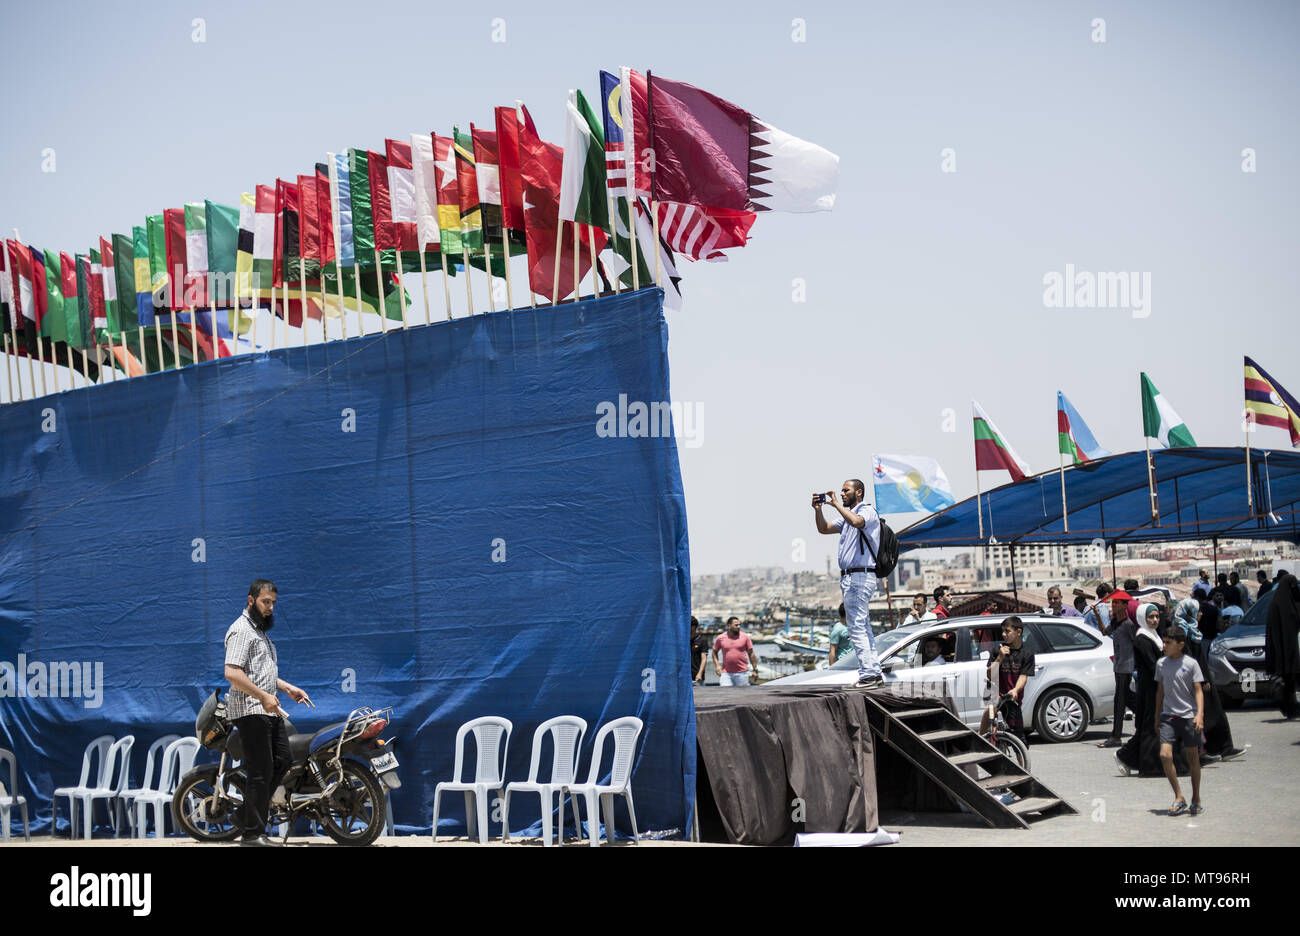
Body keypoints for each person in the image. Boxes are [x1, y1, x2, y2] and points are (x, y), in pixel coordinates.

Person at [223, 579, 314, 847]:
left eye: (273, 603)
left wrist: (286, 688)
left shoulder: (260, 632)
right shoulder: (241, 630)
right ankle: (252, 835)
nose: (270, 607)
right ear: (250, 600)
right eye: (265, 602)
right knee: (260, 771)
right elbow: (232, 672)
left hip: (268, 710)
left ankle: (245, 814)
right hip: (251, 710)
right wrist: (262, 696)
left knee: (283, 761)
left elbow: (262, 674)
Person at [813, 479, 884, 689]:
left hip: (859, 576)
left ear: (859, 492)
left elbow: (857, 522)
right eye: (841, 491)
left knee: (855, 627)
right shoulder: (846, 518)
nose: (842, 494)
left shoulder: (867, 510)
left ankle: (868, 674)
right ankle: (873, 670)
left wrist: (834, 504)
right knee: (863, 625)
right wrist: (818, 510)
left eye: (846, 490)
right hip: (850, 577)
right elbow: (824, 528)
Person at [1116, 603, 1186, 778]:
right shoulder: (1142, 639)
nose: (1155, 620)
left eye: (1156, 616)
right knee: (1150, 726)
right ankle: (1149, 765)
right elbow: (1153, 664)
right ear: (1142, 618)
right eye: (1150, 617)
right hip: (1150, 689)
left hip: (1159, 686)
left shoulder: (1154, 636)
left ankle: (1127, 756)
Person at [1173, 598, 1244, 760]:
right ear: (1189, 613)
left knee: (1213, 714)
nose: (1201, 614)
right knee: (1201, 716)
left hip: (1203, 679)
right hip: (1196, 682)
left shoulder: (1192, 631)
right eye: (1197, 611)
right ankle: (1206, 751)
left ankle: (1219, 748)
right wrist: (1201, 681)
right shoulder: (1181, 633)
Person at [1155, 628, 1205, 816]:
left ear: (1181, 644)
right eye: (1164, 642)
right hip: (1168, 716)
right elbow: (1160, 691)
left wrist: (1199, 715)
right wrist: (1156, 716)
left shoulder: (1191, 664)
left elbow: (1198, 690)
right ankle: (1179, 796)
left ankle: (1196, 798)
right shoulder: (1161, 664)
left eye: (1168, 642)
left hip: (1189, 716)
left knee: (1193, 757)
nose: (1164, 646)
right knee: (1165, 755)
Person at [987, 616, 1034, 744]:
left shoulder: (1027, 653)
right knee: (988, 730)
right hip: (994, 697)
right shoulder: (998, 649)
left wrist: (1015, 690)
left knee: (1019, 739)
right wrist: (1000, 658)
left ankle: (1020, 763)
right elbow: (990, 674)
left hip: (1012, 699)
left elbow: (1023, 676)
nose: (1003, 634)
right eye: (1003, 631)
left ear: (1018, 632)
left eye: (1007, 631)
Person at [1098, 589, 1135, 748]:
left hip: (1126, 667)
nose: (1113, 605)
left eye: (1117, 602)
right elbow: (1104, 632)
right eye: (1113, 602)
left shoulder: (1128, 625)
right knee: (1126, 698)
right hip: (1118, 666)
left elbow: (1137, 643)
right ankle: (1147, 715)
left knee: (1119, 702)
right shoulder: (1115, 622)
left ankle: (1116, 736)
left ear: (1124, 605)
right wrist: (1098, 615)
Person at [1264, 572, 1300, 719]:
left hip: (1284, 651)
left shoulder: (1277, 603)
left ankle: (1291, 708)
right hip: (1285, 650)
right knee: (1287, 681)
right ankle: (1290, 708)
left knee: (1290, 681)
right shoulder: (1281, 605)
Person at [711, 617, 760, 687]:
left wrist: (755, 670)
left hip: (742, 673)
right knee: (725, 695)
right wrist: (717, 666)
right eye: (736, 625)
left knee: (742, 696)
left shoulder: (745, 637)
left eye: (739, 625)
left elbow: (751, 654)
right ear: (729, 625)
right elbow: (714, 652)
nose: (739, 627)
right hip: (726, 674)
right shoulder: (720, 638)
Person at [690, 617, 710, 684]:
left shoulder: (702, 640)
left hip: (697, 677)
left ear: (694, 626)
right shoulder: (683, 640)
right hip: (684, 677)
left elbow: (704, 659)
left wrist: (700, 673)